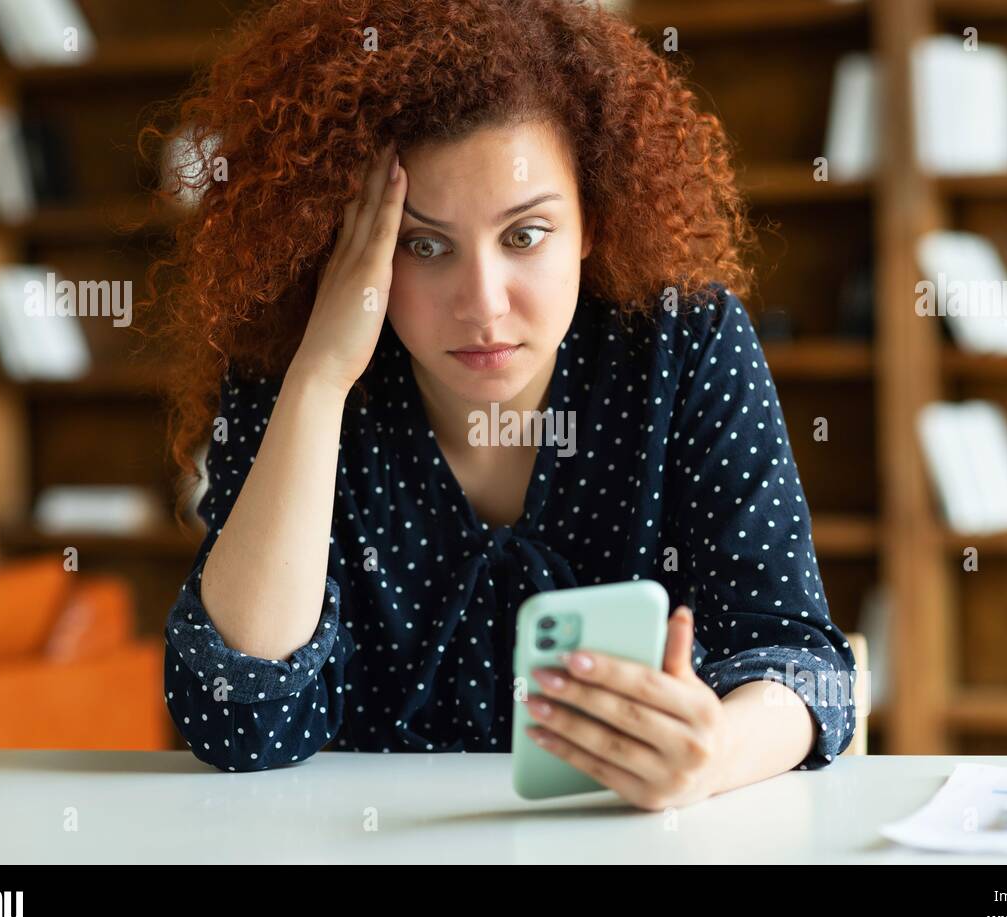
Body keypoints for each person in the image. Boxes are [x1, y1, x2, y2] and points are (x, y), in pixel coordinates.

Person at [146, 0, 857, 810]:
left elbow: (806, 666)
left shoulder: (684, 344)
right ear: (343, 242)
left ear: (593, 219)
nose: (482, 305)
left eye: (525, 236)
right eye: (424, 245)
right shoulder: (293, 364)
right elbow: (239, 719)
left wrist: (712, 754)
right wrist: (319, 379)